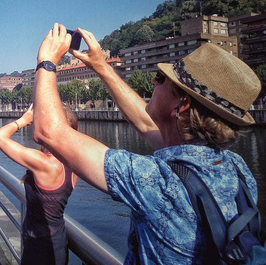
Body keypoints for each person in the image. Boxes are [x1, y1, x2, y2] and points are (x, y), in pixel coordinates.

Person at [32, 24, 261, 264]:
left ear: (181, 106)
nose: (153, 81)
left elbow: (49, 133)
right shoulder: (237, 169)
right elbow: (146, 123)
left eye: (162, 79)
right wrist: (101, 66)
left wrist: (47, 61)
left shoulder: (159, 182)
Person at [0, 105, 78, 265]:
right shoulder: (72, 163)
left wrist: (22, 121)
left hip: (40, 247)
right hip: (56, 241)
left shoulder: (45, 163)